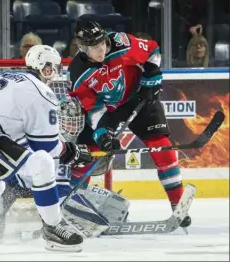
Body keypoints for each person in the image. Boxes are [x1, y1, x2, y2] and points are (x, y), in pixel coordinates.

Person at [0, 44, 88, 252]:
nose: (56, 73)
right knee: (42, 164)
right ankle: (52, 228)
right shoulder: (41, 93)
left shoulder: (10, 77)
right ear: (46, 68)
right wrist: (71, 151)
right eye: (55, 68)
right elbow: (47, 149)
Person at [67, 20, 191, 228]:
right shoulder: (77, 71)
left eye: (102, 44)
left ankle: (177, 204)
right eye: (94, 48)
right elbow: (93, 108)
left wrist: (151, 76)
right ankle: (71, 205)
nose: (101, 50)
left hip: (139, 98)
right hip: (109, 110)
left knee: (162, 148)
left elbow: (152, 50)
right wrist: (103, 133)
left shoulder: (120, 42)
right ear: (82, 48)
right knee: (87, 153)